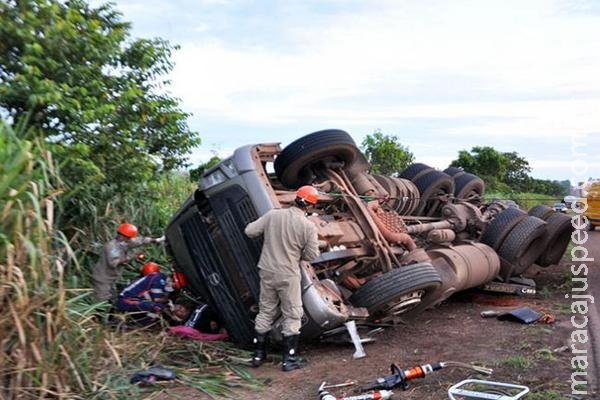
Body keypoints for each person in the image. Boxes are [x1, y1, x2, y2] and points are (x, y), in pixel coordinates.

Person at [244, 185, 320, 371]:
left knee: (266, 311)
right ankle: (289, 359)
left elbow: (250, 231)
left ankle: (258, 355)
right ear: (310, 206)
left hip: (267, 270)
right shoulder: (308, 226)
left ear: (296, 198)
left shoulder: (273, 215)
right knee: (292, 313)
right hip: (288, 274)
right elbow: (311, 256)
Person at [92, 223, 164, 302]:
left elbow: (139, 241)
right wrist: (132, 256)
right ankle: (99, 313)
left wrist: (156, 240)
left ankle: (113, 309)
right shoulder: (112, 247)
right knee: (102, 300)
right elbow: (113, 263)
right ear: (123, 237)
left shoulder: (125, 242)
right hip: (103, 278)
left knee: (113, 297)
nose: (130, 240)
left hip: (113, 278)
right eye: (129, 238)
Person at [115, 261, 172, 326]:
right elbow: (156, 299)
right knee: (157, 307)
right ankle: (133, 327)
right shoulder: (159, 278)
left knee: (156, 309)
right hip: (126, 300)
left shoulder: (151, 278)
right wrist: (169, 307)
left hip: (128, 299)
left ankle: (132, 326)